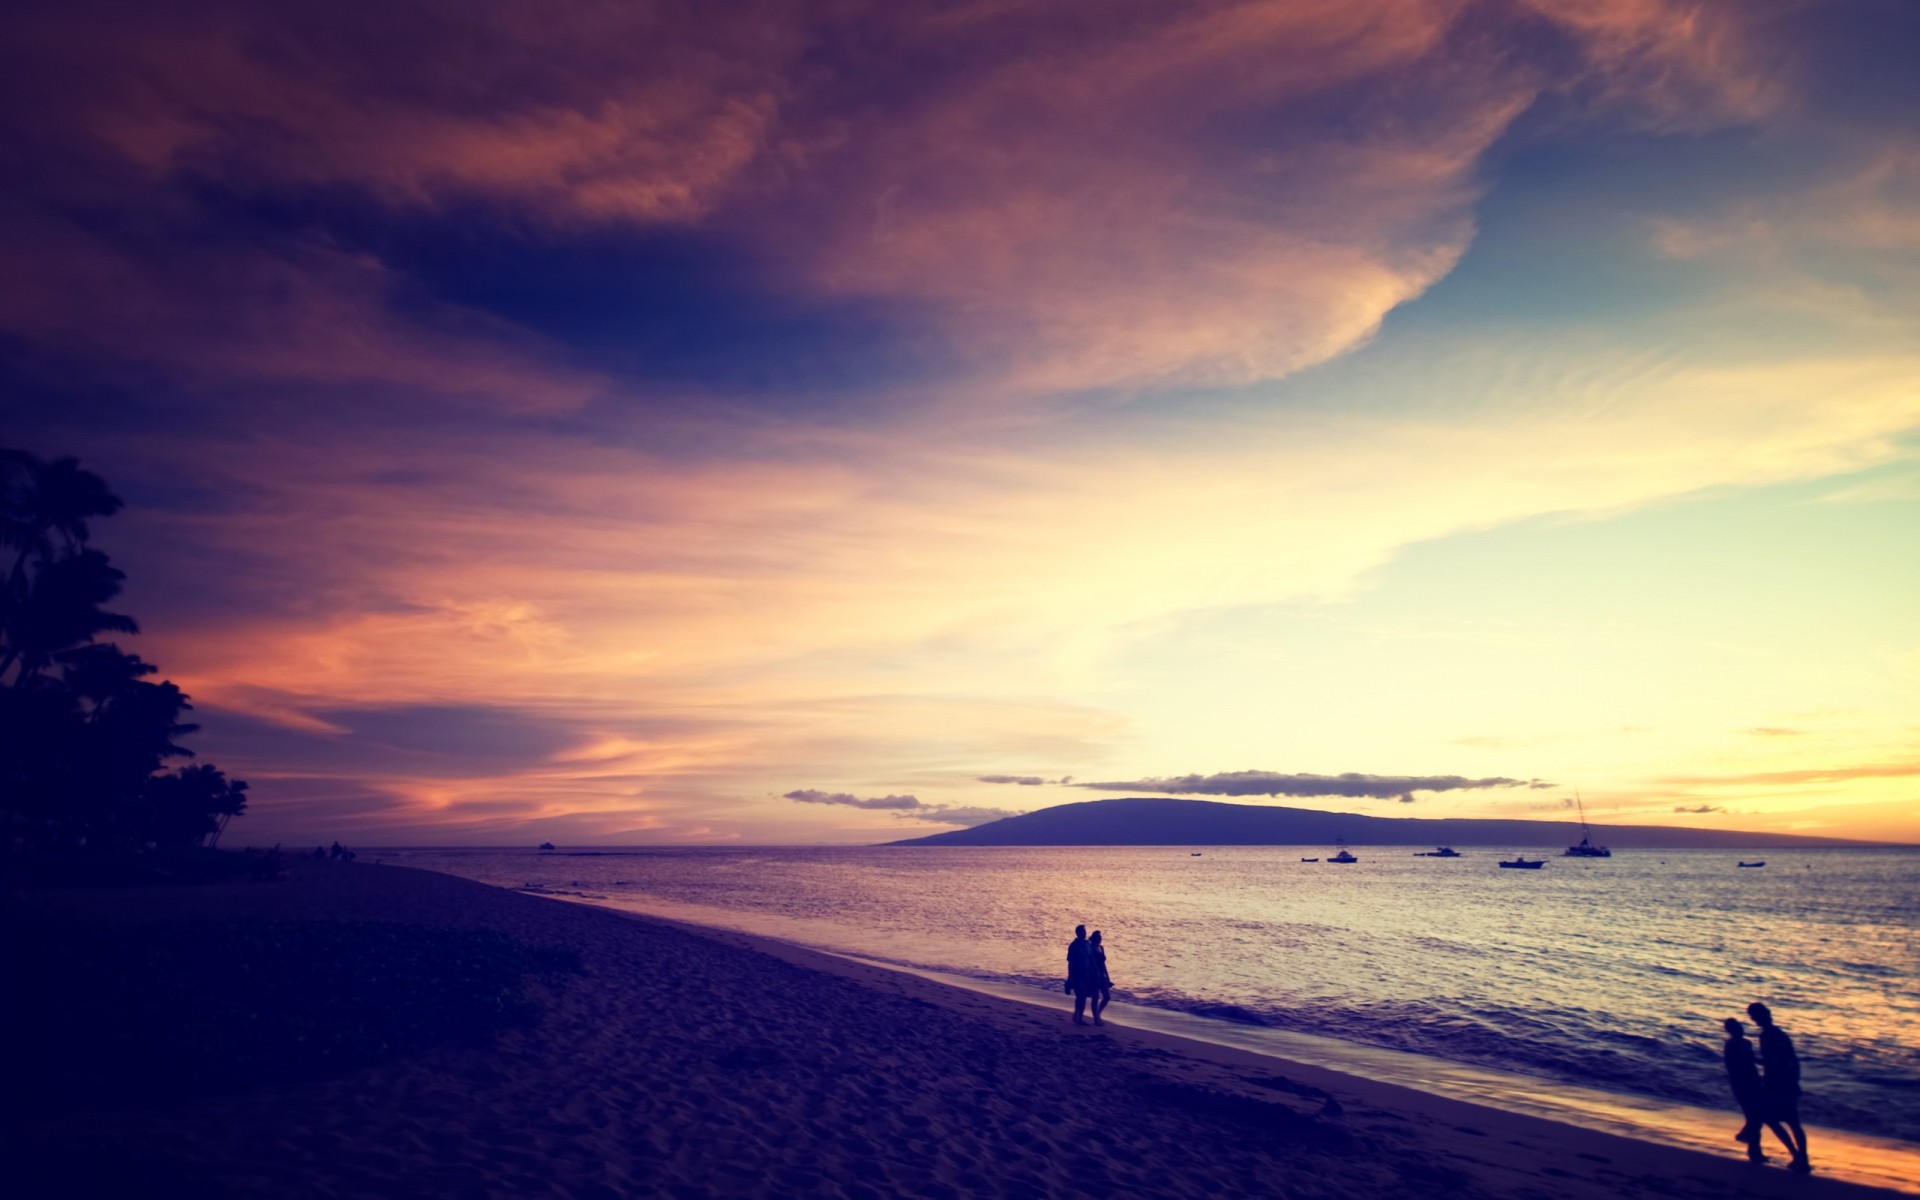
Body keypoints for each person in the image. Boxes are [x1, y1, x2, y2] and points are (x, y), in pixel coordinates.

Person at [1747, 1002, 1811, 1172]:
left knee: (1771, 1120)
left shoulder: (1766, 1036)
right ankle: (1802, 1157)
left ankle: (1796, 1155)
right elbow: (1793, 1061)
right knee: (1793, 1122)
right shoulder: (1781, 1034)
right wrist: (1795, 1082)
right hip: (1787, 1083)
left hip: (1775, 1085)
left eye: (1753, 1017)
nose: (1753, 1019)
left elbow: (1771, 1063)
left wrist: (1752, 1059)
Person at [1723, 1018, 1793, 1163]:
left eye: (1739, 1027)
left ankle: (1753, 1149)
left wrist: (1771, 1063)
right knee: (1755, 1118)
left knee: (1755, 1118)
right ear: (1730, 1031)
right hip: (1742, 1085)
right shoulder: (1730, 1045)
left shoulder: (1746, 1043)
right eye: (1736, 1028)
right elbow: (1732, 1067)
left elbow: (1753, 1060)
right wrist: (1741, 1083)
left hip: (1754, 1082)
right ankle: (1751, 1147)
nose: (1740, 1029)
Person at [1065, 925, 1093, 1025]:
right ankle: (1078, 1016)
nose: (1085, 933)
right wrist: (1070, 977)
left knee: (1084, 996)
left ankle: (1078, 1016)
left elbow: (1091, 959)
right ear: (1078, 933)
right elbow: (1070, 962)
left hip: (1087, 974)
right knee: (1081, 995)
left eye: (1085, 931)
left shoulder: (1087, 944)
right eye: (1083, 931)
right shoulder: (1073, 946)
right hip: (1077, 974)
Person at [1088, 930, 1113, 1026]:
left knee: (1107, 997)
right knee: (1095, 997)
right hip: (1093, 976)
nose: (1100, 939)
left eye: (1100, 937)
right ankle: (1095, 1019)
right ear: (1094, 938)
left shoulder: (1101, 948)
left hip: (1102, 975)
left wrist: (1108, 977)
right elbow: (1090, 963)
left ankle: (1098, 1015)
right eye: (1098, 937)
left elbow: (1103, 964)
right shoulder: (1090, 949)